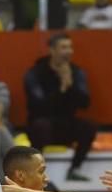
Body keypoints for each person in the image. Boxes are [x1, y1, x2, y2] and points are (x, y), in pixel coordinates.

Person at [24, 33, 96, 182]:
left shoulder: (76, 72)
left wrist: (71, 86)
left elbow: (85, 103)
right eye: (64, 47)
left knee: (88, 126)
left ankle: (74, 170)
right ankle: (35, 171)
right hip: (42, 125)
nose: (69, 51)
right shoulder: (35, 73)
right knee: (40, 126)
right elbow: (38, 106)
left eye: (70, 47)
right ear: (52, 50)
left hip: (66, 125)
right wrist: (62, 88)